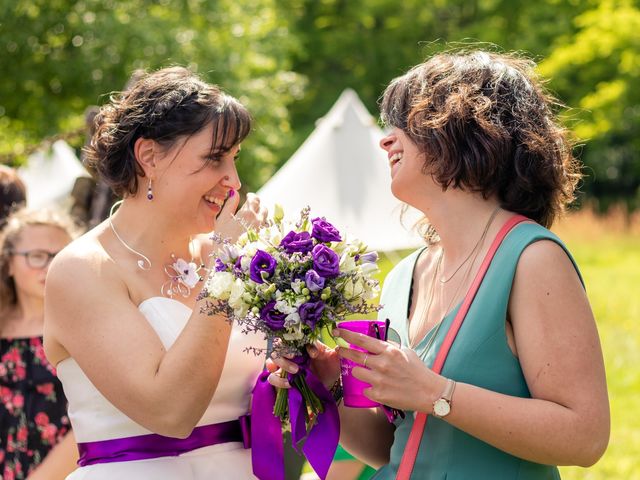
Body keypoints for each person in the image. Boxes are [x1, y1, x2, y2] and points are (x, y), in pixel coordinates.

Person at [270, 50, 610, 479]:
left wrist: (435, 392)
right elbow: (395, 450)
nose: (385, 140)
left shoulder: (532, 257)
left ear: (466, 128)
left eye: (403, 123)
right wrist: (325, 389)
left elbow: (585, 437)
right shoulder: (400, 277)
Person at [43, 67, 268, 479]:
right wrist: (225, 268)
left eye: (234, 160)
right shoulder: (84, 269)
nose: (233, 181)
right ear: (149, 157)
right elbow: (170, 412)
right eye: (214, 158)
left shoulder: (223, 256)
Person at [0, 208, 78, 479]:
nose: (49, 266)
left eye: (60, 257)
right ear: (8, 262)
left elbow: (93, 415)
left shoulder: (82, 326)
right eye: (36, 256)